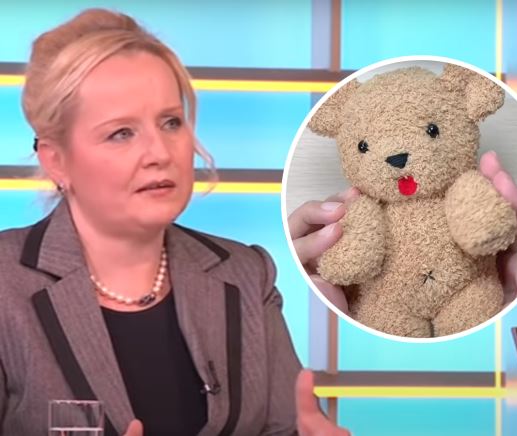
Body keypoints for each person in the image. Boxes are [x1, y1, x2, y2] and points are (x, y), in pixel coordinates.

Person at [0, 9, 349, 436]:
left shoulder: (245, 274)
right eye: (121, 133)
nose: (160, 153)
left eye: (171, 122)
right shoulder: (5, 285)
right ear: (56, 160)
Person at [289, 151, 517, 315]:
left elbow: (486, 221)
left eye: (432, 130)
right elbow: (351, 256)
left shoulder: (460, 189)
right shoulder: (363, 206)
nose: (398, 156)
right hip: (386, 303)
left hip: (468, 289)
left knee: (475, 311)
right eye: (364, 147)